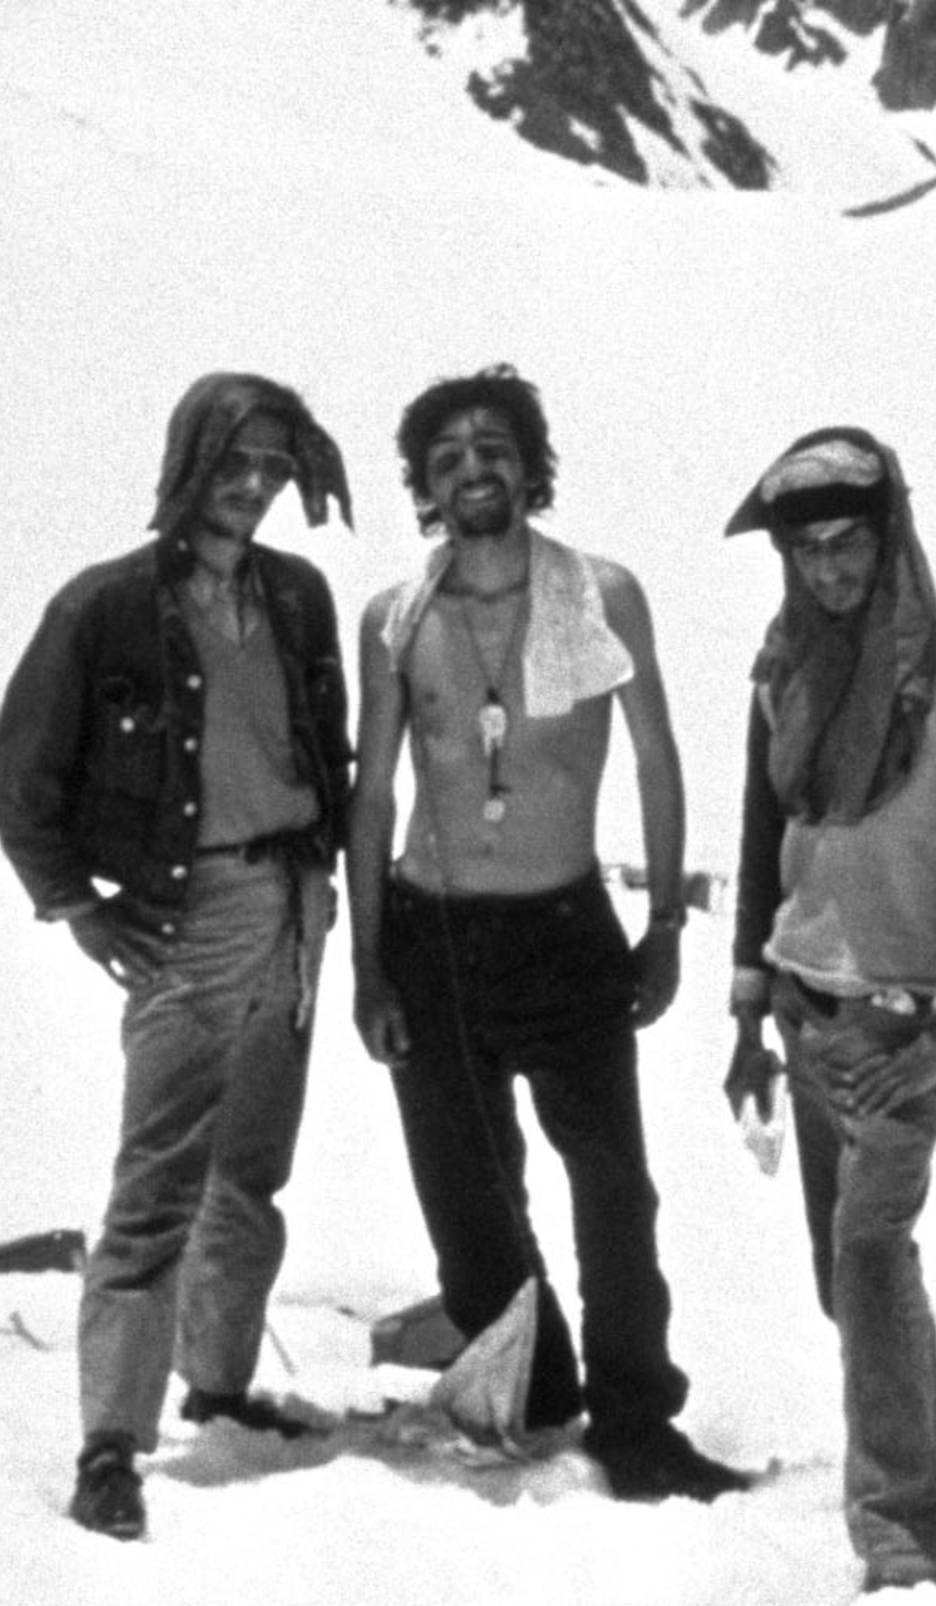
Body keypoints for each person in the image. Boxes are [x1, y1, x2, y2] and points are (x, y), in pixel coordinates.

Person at [345, 365, 747, 1504]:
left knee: (613, 1186)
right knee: (469, 1196)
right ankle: (536, 1386)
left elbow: (659, 756)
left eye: (492, 448)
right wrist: (370, 965)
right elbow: (373, 796)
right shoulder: (399, 619)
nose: (474, 470)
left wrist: (665, 921)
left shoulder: (597, 596)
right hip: (435, 934)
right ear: (424, 486)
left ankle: (636, 1420)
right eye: (448, 458)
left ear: (530, 464)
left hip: (565, 928)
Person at [0, 372, 356, 1541]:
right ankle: (109, 1444)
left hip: (294, 901)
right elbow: (20, 775)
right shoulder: (105, 607)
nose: (253, 485)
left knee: (251, 1168)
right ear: (190, 461)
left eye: (273, 468)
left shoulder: (296, 595)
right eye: (235, 461)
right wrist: (76, 906)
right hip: (187, 920)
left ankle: (221, 1380)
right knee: (156, 1187)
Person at [716, 427, 936, 1591]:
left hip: (904, 1029)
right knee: (845, 1272)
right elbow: (768, 843)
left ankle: (900, 1529)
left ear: (888, 536)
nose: (827, 569)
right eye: (805, 549)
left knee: (868, 1252)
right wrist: (747, 1010)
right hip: (808, 1013)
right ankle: (923, 1464)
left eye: (846, 542)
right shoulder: (784, 676)